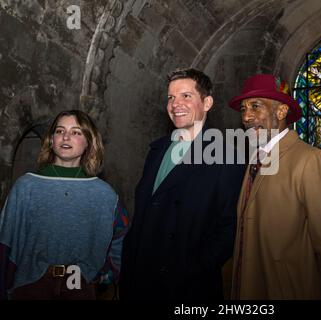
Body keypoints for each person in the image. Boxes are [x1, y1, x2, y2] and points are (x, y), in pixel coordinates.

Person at [120, 68, 245, 300]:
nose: (175, 104)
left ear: (207, 103)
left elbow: (230, 228)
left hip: (187, 288)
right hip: (140, 281)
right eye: (171, 97)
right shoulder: (155, 152)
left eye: (186, 96)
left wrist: (195, 268)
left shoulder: (227, 157)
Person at [228, 74, 321, 299]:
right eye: (243, 109)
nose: (246, 116)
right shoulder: (256, 159)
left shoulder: (310, 160)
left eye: (255, 106)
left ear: (281, 112)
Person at [0, 110, 129, 300]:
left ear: (88, 142)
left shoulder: (105, 194)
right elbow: (5, 242)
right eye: (60, 131)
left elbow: (121, 237)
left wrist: (104, 277)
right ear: (51, 141)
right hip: (31, 284)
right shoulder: (26, 186)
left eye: (76, 132)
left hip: (79, 285)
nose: (66, 136)